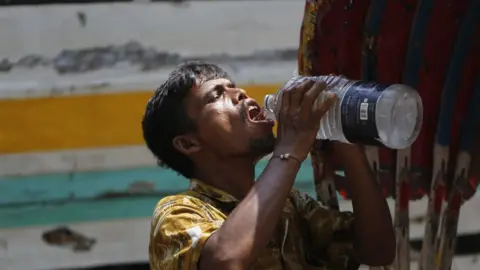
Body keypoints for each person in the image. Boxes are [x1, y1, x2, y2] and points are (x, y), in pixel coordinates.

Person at [143, 61, 395, 270]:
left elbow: (378, 251)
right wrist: (289, 150)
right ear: (188, 143)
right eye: (217, 95)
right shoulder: (176, 213)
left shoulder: (290, 205)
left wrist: (342, 134)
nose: (240, 93)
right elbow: (225, 260)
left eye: (233, 87)